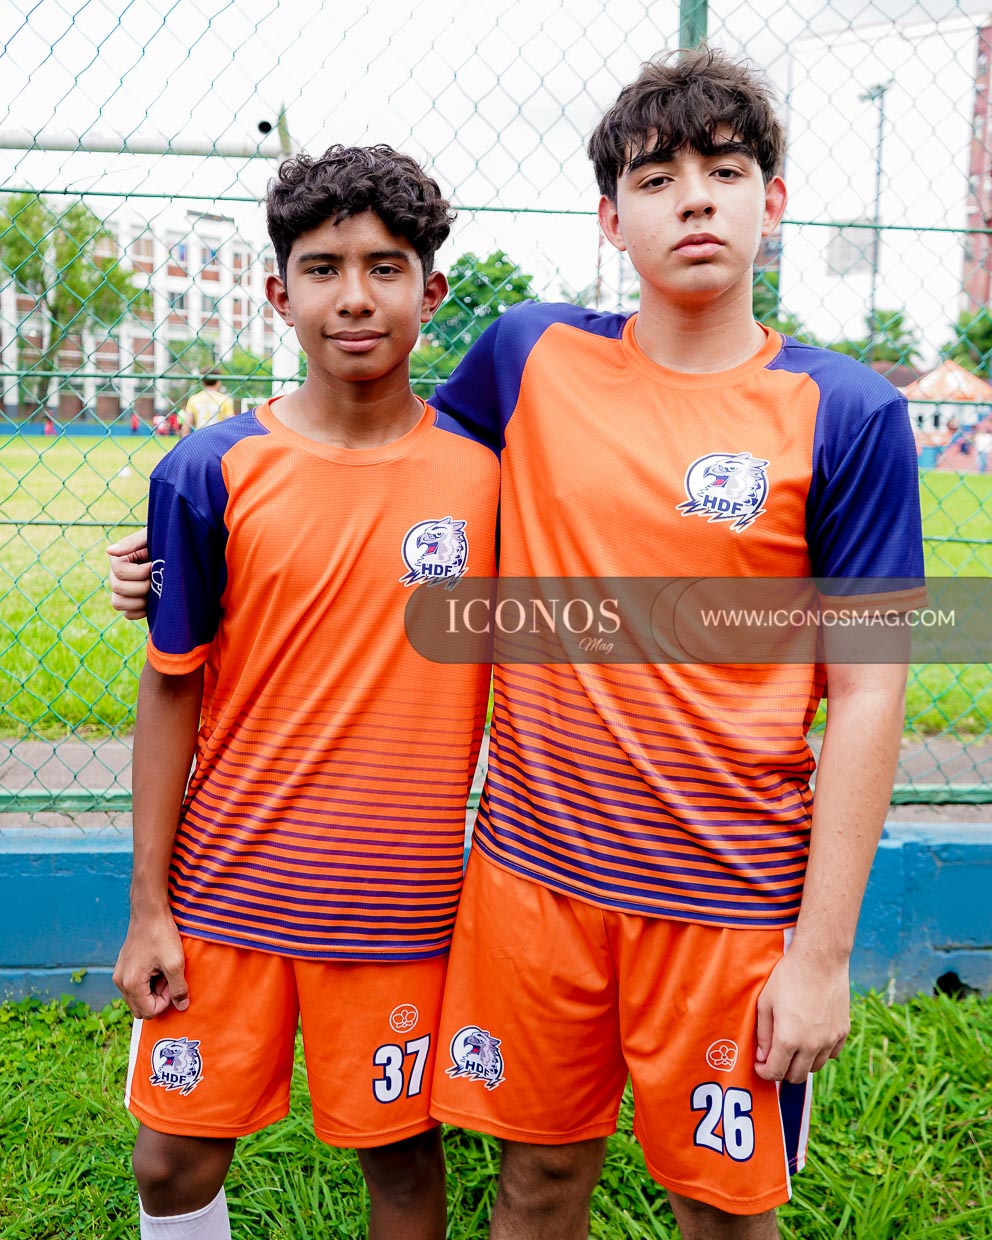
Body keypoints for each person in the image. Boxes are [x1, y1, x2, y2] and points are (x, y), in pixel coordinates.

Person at [110, 49, 924, 1240]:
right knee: (535, 1183)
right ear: (609, 218)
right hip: (533, 882)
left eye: (724, 170)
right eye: (656, 178)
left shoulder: (847, 411)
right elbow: (370, 458)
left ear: (773, 201)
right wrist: (174, 552)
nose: (694, 200)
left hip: (729, 895)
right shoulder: (531, 356)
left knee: (721, 1213)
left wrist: (821, 954)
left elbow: (866, 693)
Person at [111, 144, 497, 1240]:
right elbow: (170, 689)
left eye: (385, 267)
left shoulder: (490, 474)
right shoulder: (208, 469)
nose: (354, 298)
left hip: (402, 905)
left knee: (402, 1166)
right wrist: (148, 907)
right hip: (224, 893)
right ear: (279, 294)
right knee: (170, 1162)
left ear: (431, 289)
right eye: (323, 269)